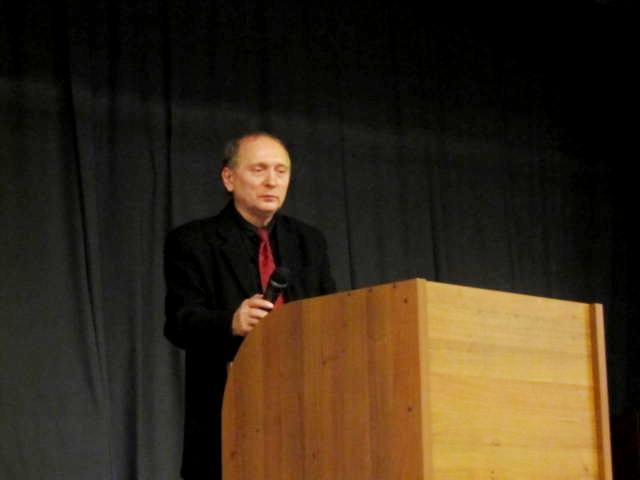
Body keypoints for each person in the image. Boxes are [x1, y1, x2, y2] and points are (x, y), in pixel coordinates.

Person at [163, 132, 336, 479]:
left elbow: (331, 313)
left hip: (304, 404)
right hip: (230, 407)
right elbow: (179, 322)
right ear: (229, 178)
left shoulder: (309, 241)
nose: (272, 181)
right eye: (259, 169)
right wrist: (231, 322)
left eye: (281, 171)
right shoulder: (193, 241)